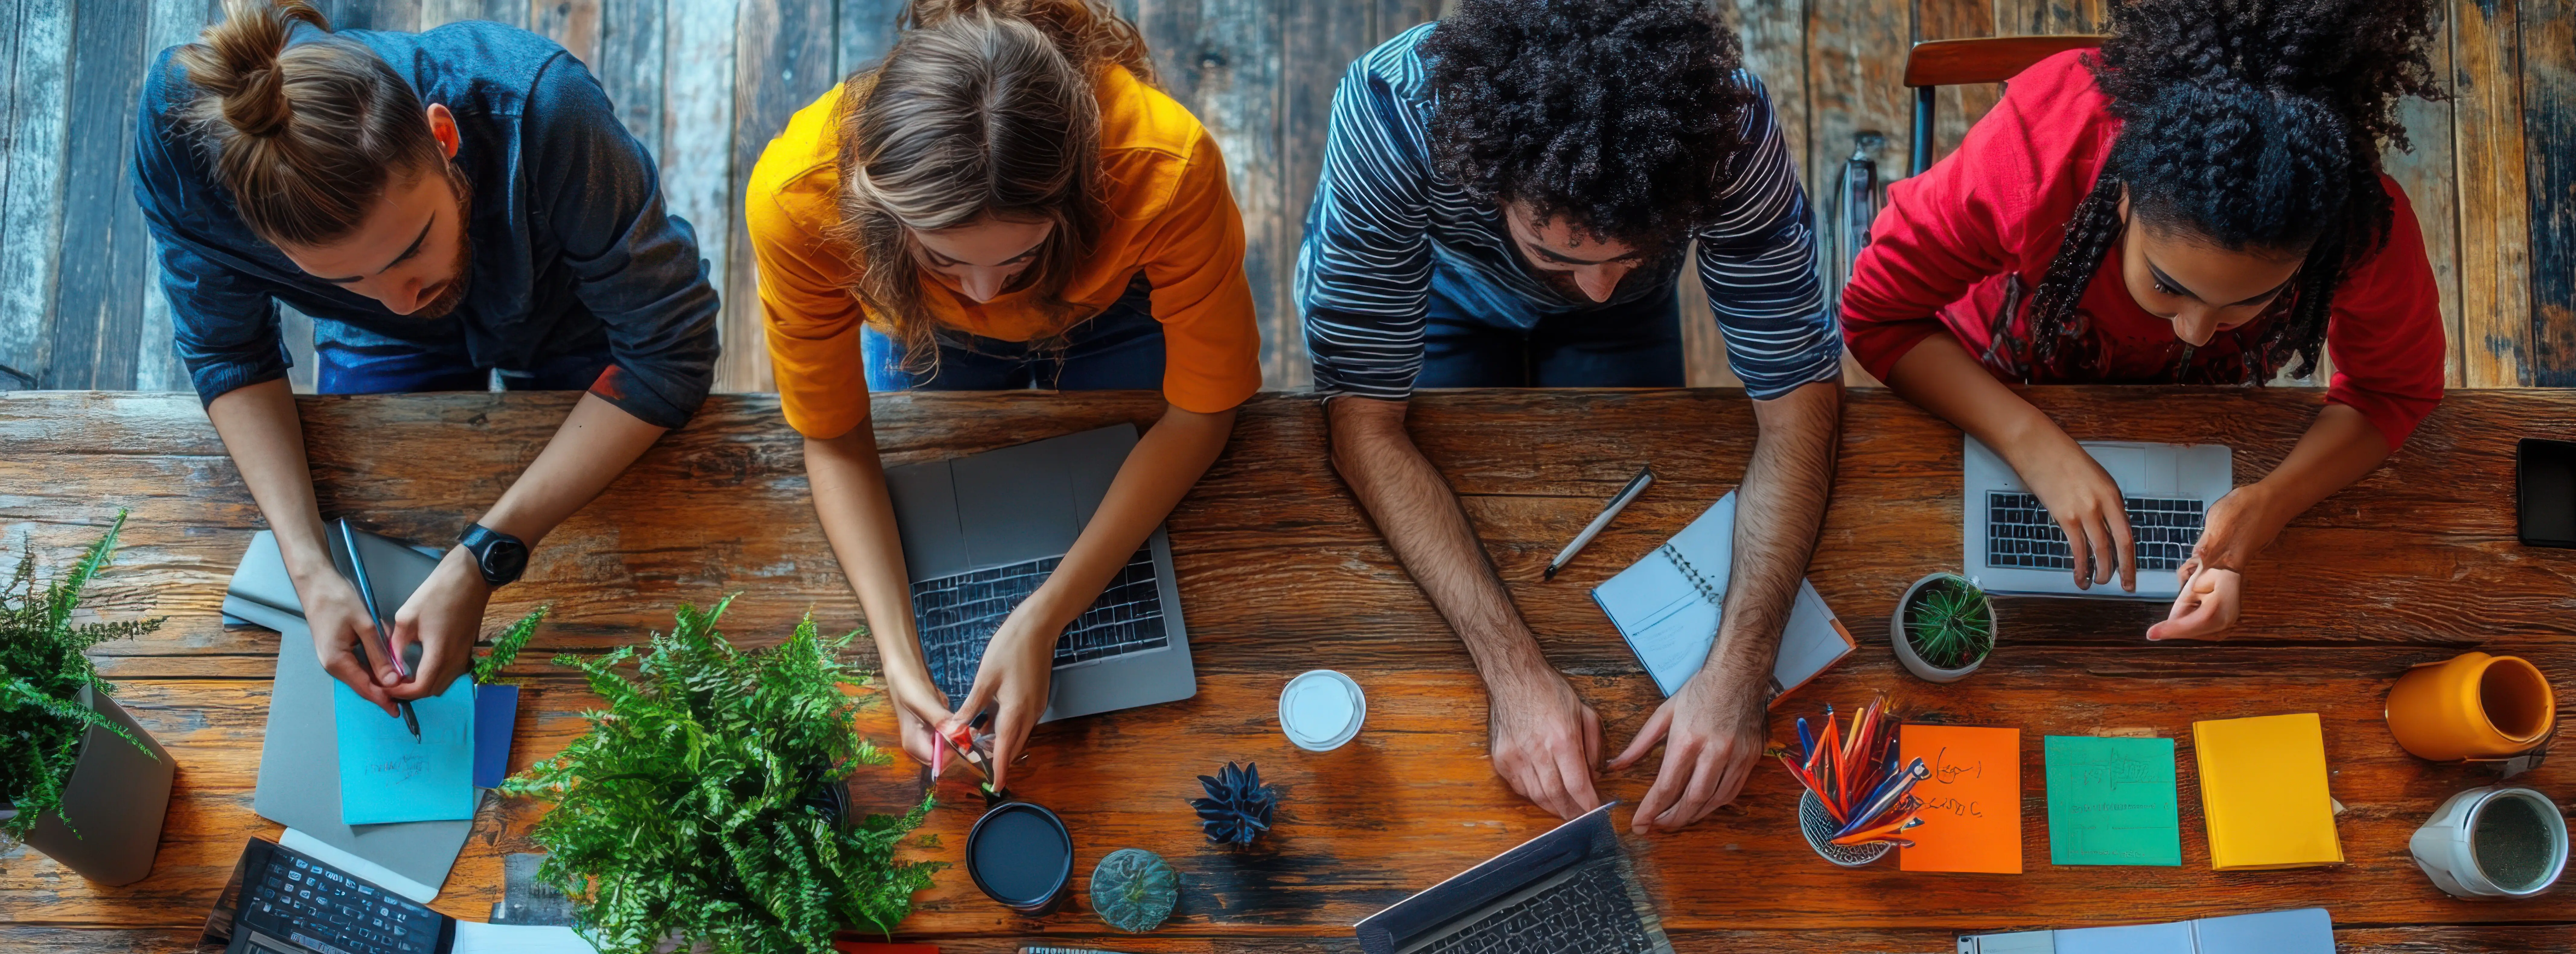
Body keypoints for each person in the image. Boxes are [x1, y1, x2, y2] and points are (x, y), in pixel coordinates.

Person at [1298, 0, 1843, 834]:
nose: (1594, 288)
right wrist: (1513, 676)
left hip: (1641, 318)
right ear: (1486, 174)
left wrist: (1738, 675)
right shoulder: (1394, 112)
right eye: (1560, 255)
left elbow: (1801, 396)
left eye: (1629, 252)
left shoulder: (1726, 130)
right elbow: (1363, 424)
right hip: (1444, 291)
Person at [133, 0, 720, 709]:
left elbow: (671, 353)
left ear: (444, 137)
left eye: (412, 247)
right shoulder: (185, 147)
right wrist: (308, 565)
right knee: (383, 547)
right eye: (345, 278)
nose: (401, 298)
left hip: (577, 320)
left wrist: (483, 556)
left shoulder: (542, 108)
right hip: (379, 347)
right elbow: (228, 348)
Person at [746, 0, 1258, 792]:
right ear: (880, 213)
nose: (985, 296)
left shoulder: (1166, 167)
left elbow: (1203, 410)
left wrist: (1044, 616)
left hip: (1112, 305)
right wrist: (898, 655)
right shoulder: (797, 200)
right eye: (947, 259)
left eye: (1016, 259)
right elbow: (835, 433)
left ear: (1084, 190)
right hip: (913, 321)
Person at [1840, 0, 2446, 640]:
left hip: (2200, 419)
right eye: (2168, 286)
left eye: (2249, 301)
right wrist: (2031, 443)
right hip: (1991, 375)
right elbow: (1879, 318)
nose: (2196, 333)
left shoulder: (2355, 220)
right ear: (2123, 196)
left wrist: (2273, 502)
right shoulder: (2037, 154)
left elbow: (2394, 390)